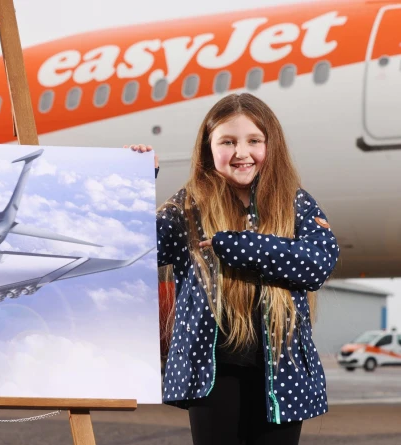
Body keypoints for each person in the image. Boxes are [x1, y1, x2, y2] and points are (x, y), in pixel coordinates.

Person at [127, 93, 340, 445]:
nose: (242, 152)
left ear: (271, 145)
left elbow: (317, 263)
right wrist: (136, 182)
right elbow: (138, 248)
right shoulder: (189, 206)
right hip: (213, 373)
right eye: (227, 141)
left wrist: (239, 246)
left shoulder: (295, 202)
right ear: (208, 149)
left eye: (254, 141)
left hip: (281, 375)